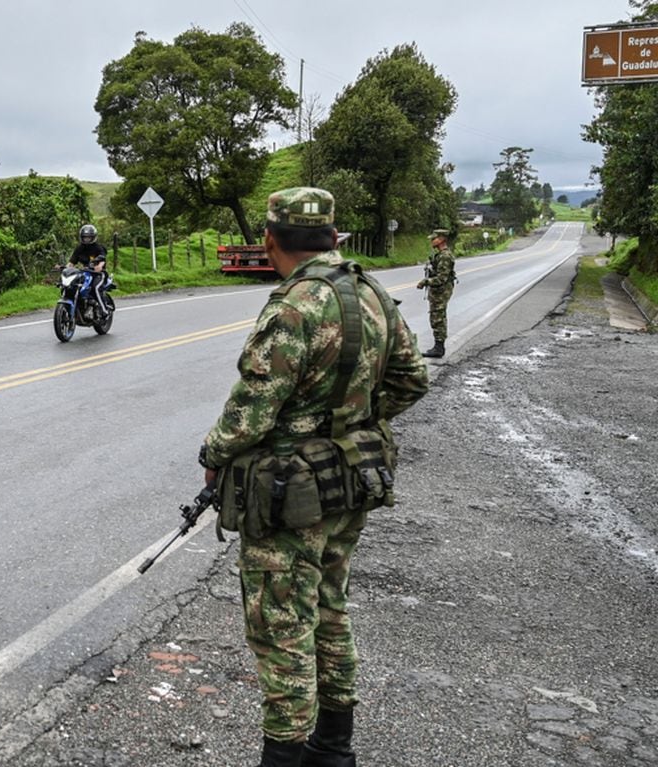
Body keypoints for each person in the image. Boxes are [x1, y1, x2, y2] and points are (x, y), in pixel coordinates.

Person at [198, 188, 430, 766]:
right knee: (329, 605)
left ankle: (284, 755)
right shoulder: (371, 292)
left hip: (288, 495)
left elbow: (250, 413)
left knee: (280, 623)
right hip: (350, 481)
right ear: (333, 235)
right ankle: (334, 749)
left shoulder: (295, 306)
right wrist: (350, 426)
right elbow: (410, 379)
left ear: (270, 239)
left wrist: (214, 455)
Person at [417, 228, 456, 358]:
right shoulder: (439, 255)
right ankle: (438, 346)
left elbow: (441, 278)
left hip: (441, 291)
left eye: (434, 238)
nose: (432, 241)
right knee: (437, 317)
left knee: (438, 318)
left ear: (442, 239)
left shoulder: (445, 256)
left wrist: (425, 281)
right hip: (438, 291)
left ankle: (439, 348)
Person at [68, 224, 110, 318]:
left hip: (99, 274)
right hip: (85, 273)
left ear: (93, 237)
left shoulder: (98, 247)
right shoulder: (79, 248)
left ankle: (104, 310)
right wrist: (66, 269)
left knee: (95, 288)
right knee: (73, 286)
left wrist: (99, 266)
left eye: (89, 237)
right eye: (85, 237)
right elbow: (72, 262)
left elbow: (103, 259)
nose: (86, 239)